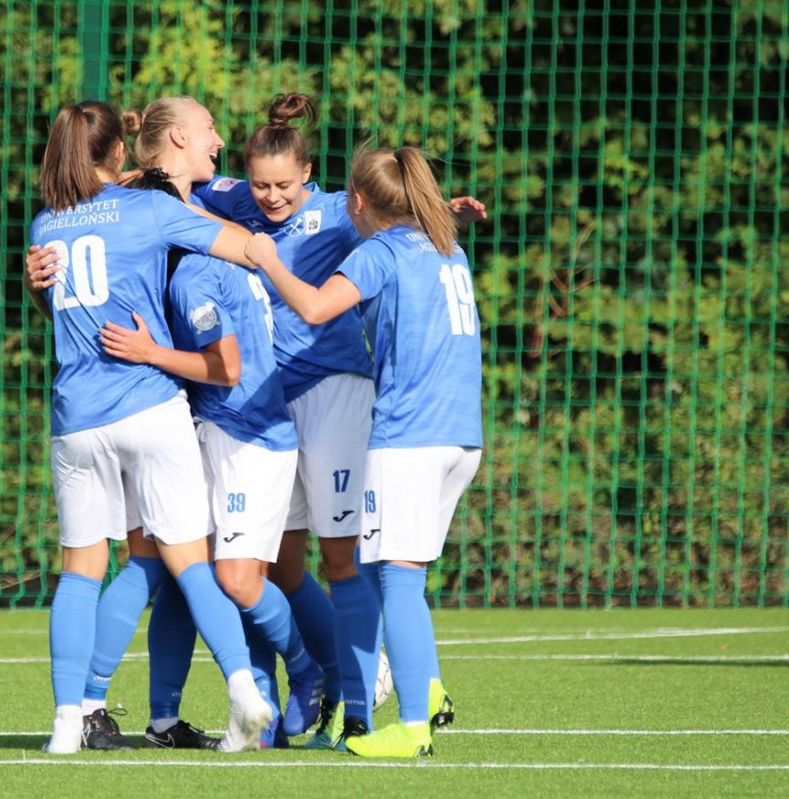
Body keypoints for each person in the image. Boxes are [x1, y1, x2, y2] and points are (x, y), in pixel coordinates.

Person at [30, 97, 324, 749]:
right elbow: (246, 246)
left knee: (93, 569)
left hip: (78, 416)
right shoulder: (151, 210)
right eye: (210, 129)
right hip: (155, 406)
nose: (218, 140)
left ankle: (75, 718)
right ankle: (246, 689)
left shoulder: (48, 221)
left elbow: (61, 298)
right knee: (191, 564)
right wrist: (288, 254)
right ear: (120, 151)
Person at [193, 93, 484, 750]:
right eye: (261, 185)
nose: (272, 197)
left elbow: (391, 221)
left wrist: (439, 210)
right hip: (270, 403)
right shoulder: (237, 198)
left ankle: (366, 696)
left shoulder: (341, 216)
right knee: (282, 563)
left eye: (284, 185)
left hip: (339, 395)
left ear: (313, 176)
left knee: (353, 558)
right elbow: (183, 194)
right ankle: (327, 684)